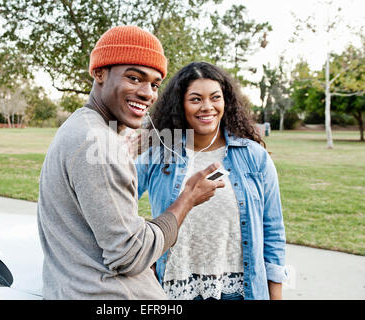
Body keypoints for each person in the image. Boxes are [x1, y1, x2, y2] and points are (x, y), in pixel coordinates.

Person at [37, 27, 224, 299]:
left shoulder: (82, 127)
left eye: (155, 84)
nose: (148, 93)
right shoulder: (98, 143)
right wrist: (188, 198)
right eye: (134, 77)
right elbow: (130, 254)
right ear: (99, 72)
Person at [135, 62, 287, 300]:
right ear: (180, 105)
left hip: (240, 291)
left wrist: (275, 296)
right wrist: (145, 254)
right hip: (175, 290)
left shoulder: (253, 157)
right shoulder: (158, 155)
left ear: (225, 102)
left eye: (215, 98)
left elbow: (273, 232)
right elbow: (119, 204)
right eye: (196, 99)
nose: (207, 107)